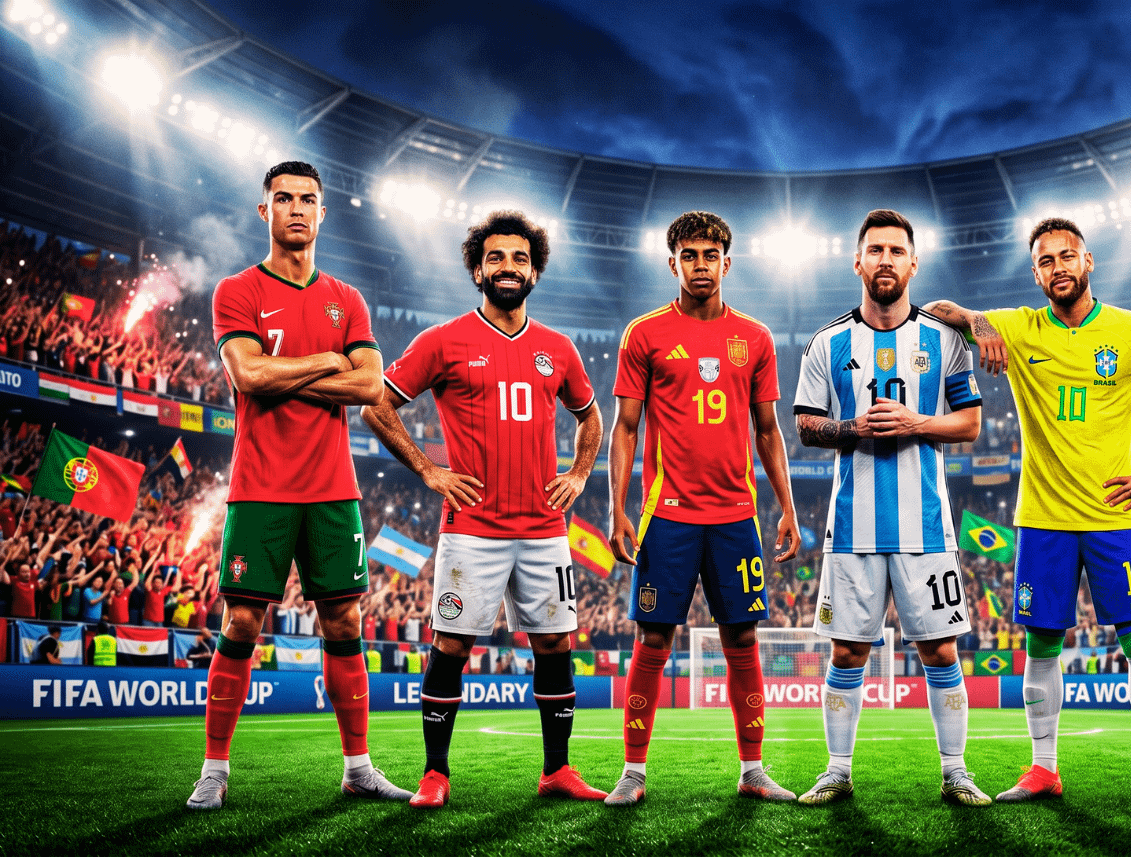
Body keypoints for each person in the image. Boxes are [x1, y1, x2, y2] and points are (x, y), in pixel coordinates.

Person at [924, 216, 1131, 809]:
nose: (1058, 268)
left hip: (1114, 520)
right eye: (1046, 261)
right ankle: (1043, 768)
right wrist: (980, 323)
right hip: (1043, 520)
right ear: (1035, 273)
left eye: (1067, 256)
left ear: (1089, 261)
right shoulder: (1019, 328)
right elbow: (939, 307)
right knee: (1042, 645)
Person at [361, 210, 607, 808]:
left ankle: (558, 770)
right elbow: (375, 405)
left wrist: (577, 473)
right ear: (477, 269)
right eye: (495, 258)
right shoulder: (442, 341)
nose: (508, 267)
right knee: (450, 646)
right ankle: (435, 774)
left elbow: (591, 417)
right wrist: (427, 469)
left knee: (555, 645)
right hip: (472, 529)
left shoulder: (558, 348)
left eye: (520, 259)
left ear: (535, 271)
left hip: (546, 530)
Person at [188, 161, 409, 811]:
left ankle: (359, 766)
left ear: (323, 211)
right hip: (260, 485)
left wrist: (287, 369)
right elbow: (249, 377)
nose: (295, 208)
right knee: (243, 620)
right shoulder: (237, 290)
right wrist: (326, 360)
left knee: (344, 620)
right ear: (265, 212)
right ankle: (214, 767)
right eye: (282, 198)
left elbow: (369, 386)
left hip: (333, 490)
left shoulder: (349, 298)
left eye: (307, 199)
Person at [604, 211, 801, 806]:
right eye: (688, 255)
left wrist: (787, 507)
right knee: (653, 641)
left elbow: (768, 431)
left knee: (742, 640)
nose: (700, 265)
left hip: (737, 516)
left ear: (726, 262)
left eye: (709, 255)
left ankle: (753, 769)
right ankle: (633, 772)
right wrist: (616, 508)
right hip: (667, 516)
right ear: (673, 263)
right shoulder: (644, 334)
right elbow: (626, 427)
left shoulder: (757, 338)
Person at [793, 209, 989, 806]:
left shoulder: (945, 339)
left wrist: (916, 422)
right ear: (858, 262)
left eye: (895, 250)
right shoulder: (827, 342)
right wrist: (853, 426)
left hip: (926, 526)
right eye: (874, 250)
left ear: (913, 263)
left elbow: (972, 424)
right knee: (848, 649)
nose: (885, 260)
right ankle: (837, 769)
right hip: (850, 525)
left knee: (941, 649)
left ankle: (956, 770)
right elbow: (804, 426)